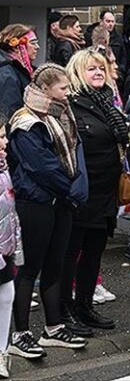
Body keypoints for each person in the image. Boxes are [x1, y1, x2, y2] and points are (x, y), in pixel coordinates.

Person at [8, 64, 89, 357]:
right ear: (45, 90)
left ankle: (53, 327)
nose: (68, 93)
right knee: (29, 268)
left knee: (54, 266)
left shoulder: (58, 115)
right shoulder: (26, 122)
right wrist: (71, 186)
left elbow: (73, 151)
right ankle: (20, 333)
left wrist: (74, 184)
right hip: (37, 202)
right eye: (62, 88)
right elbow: (40, 165)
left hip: (60, 201)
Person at [62, 49, 129, 333]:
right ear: (78, 73)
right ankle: (64, 310)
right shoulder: (71, 106)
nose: (99, 73)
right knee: (70, 253)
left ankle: (85, 306)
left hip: (106, 191)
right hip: (82, 192)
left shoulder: (107, 103)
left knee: (94, 253)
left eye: (101, 68)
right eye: (91, 69)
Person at [0, 116, 22, 378]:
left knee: (7, 295)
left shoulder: (4, 167)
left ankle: (2, 350)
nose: (5, 142)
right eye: (1, 137)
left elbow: (10, 212)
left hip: (5, 247)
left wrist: (15, 248)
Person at [0, 24, 39, 119]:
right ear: (17, 47)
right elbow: (10, 111)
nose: (37, 47)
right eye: (33, 43)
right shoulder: (7, 72)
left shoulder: (22, 69)